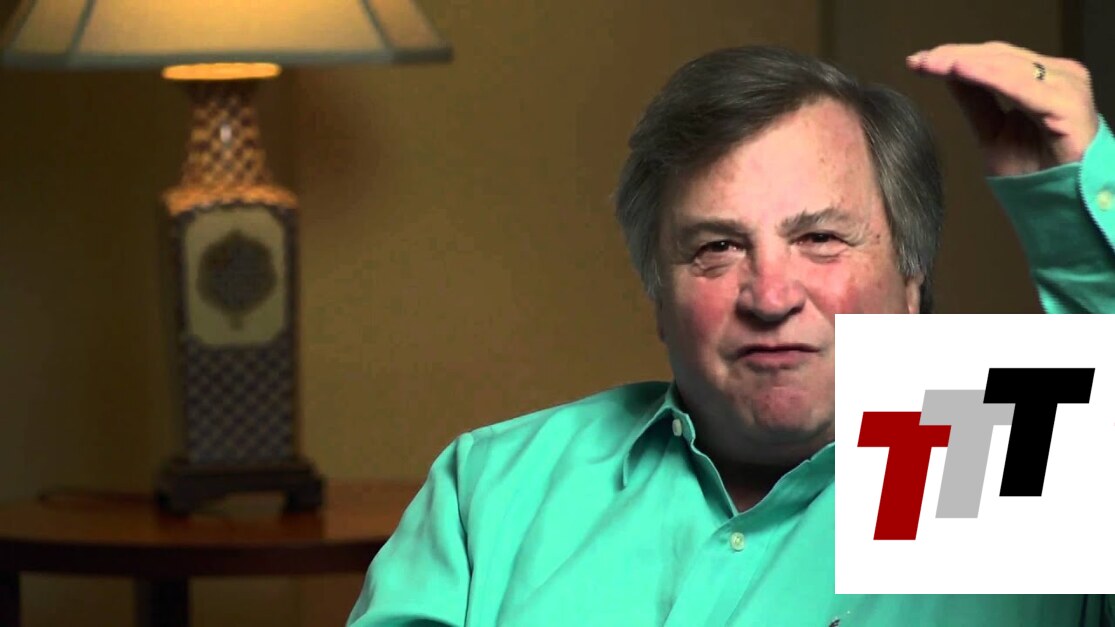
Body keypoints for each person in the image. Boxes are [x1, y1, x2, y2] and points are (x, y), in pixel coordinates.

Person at [348, 41, 1115, 626]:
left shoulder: (1005, 459)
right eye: (716, 246)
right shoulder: (495, 487)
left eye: (819, 238)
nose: (770, 296)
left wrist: (1078, 228)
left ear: (912, 277)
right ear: (658, 293)